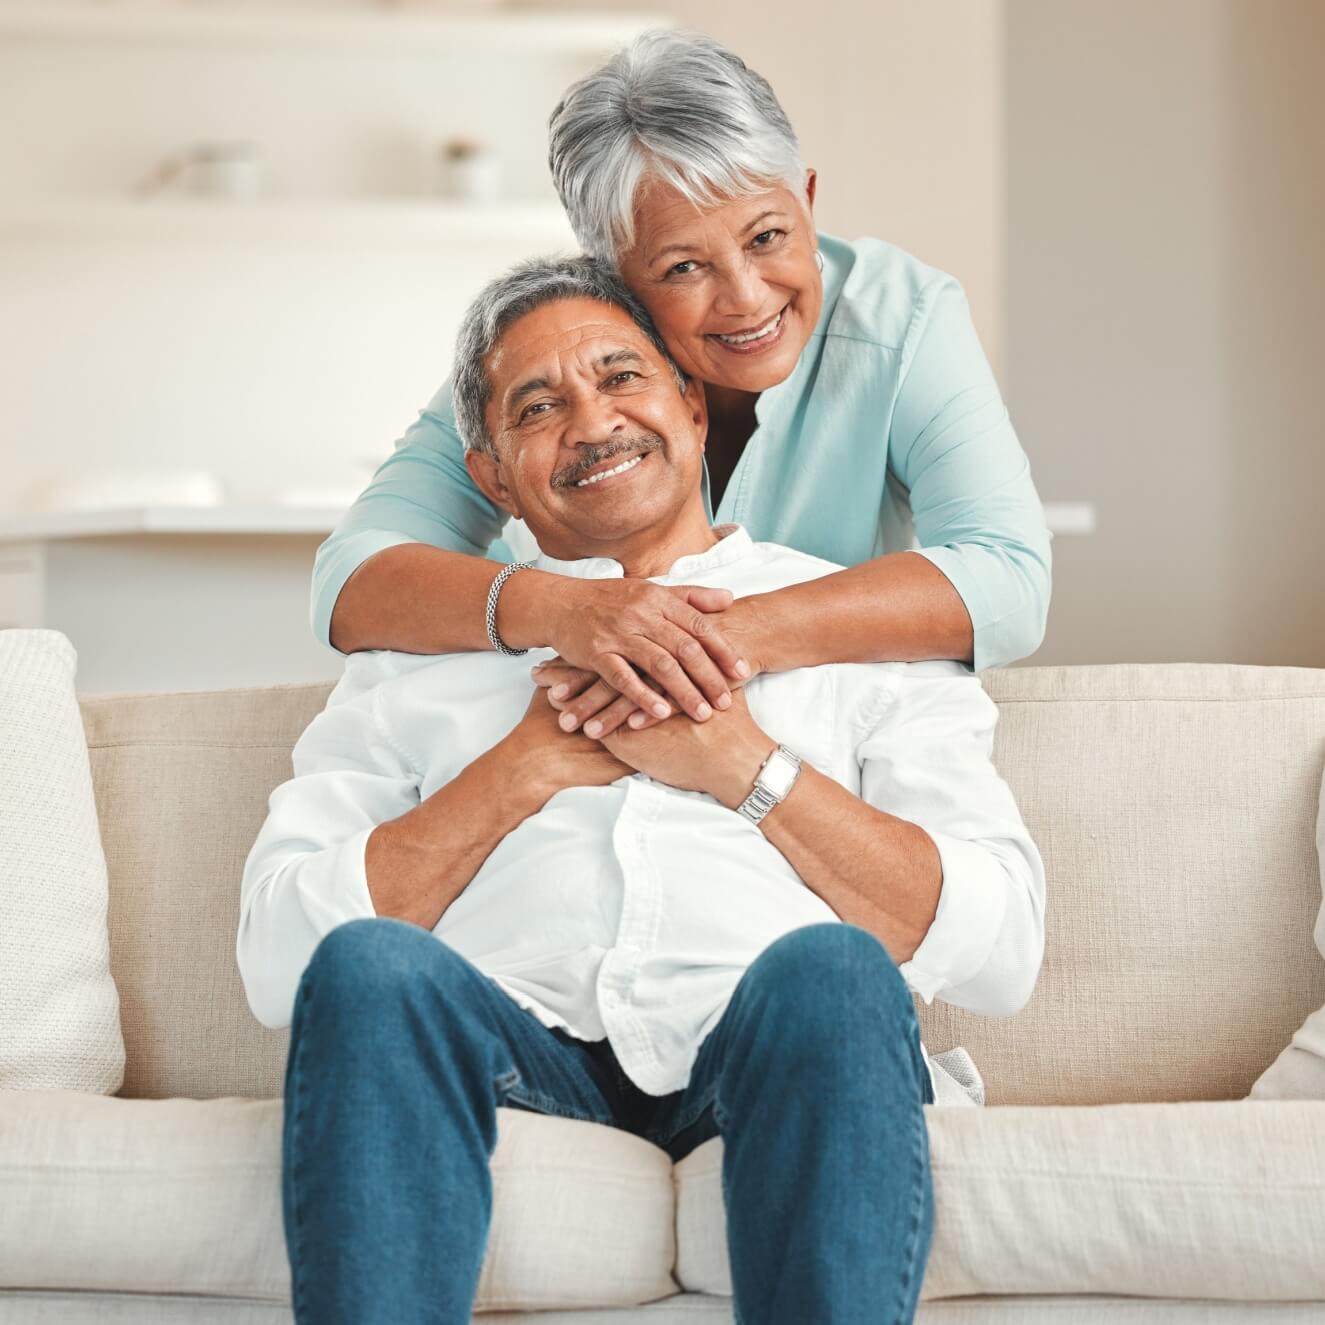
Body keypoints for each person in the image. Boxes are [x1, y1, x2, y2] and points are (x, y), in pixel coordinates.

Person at [240, 255, 1047, 1324]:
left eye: (622, 376)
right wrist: (517, 771)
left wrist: (745, 769)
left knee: (833, 970)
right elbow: (278, 962)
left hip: (760, 1042)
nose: (591, 420)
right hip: (509, 1046)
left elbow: (1001, 951)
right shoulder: (414, 653)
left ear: (690, 404)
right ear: (489, 475)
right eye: (539, 404)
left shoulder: (857, 627)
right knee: (369, 964)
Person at [310, 29, 1052, 747]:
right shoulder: (551, 344)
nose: (746, 298)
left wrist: (704, 639)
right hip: (582, 734)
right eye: (682, 268)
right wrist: (571, 613)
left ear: (808, 199)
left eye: (767, 237)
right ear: (608, 272)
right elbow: (350, 582)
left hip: (816, 739)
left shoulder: (905, 316)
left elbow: (1008, 579)